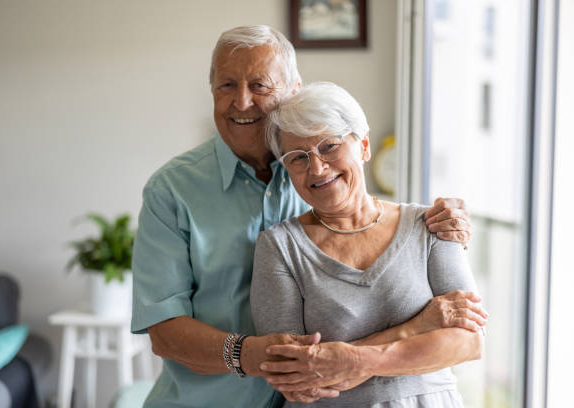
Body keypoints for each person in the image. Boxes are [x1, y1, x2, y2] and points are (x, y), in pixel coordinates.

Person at [131, 25, 481, 407]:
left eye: (260, 85)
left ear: (292, 91)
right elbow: (165, 332)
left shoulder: (326, 181)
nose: (242, 102)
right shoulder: (172, 190)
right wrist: (252, 354)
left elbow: (467, 334)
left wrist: (449, 229)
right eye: (226, 86)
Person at [250, 82, 486, 407]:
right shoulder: (280, 248)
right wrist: (420, 327)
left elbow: (469, 342)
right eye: (298, 158)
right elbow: (296, 375)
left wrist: (361, 361)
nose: (317, 167)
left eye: (329, 146)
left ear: (363, 146)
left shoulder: (430, 224)